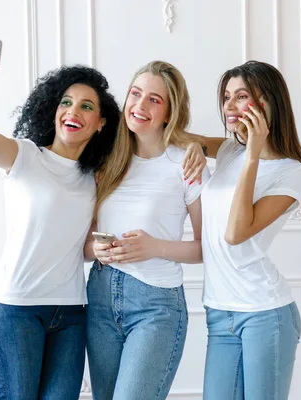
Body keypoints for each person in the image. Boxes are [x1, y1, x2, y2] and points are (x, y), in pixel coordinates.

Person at [0, 36, 120, 400]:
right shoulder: (25, 157)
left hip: (70, 312)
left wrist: (97, 250)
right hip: (15, 310)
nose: (73, 112)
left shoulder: (93, 178)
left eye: (86, 106)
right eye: (66, 102)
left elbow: (78, 246)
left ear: (100, 123)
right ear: (53, 109)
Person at [84, 60, 210, 400]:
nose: (139, 105)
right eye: (136, 94)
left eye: (154, 99)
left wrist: (155, 247)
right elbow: (83, 244)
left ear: (170, 112)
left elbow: (206, 248)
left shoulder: (186, 165)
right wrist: (96, 250)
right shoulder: (105, 160)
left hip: (156, 306)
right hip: (100, 297)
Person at [190, 60, 301, 399]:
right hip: (219, 312)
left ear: (267, 102)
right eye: (226, 96)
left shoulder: (294, 173)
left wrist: (254, 154)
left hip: (264, 315)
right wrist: (192, 148)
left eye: (240, 95)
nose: (229, 105)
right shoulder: (230, 150)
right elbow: (174, 138)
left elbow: (235, 232)